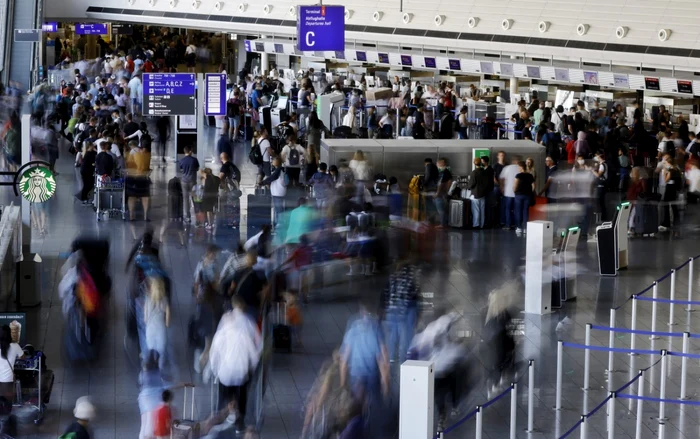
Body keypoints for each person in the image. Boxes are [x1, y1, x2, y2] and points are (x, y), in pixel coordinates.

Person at [209, 296, 263, 433]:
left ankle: (222, 418)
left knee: (224, 395)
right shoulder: (246, 328)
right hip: (241, 373)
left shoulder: (221, 332)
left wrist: (215, 371)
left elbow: (213, 354)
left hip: (225, 374)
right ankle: (240, 422)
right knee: (241, 395)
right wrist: (251, 369)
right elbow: (256, 353)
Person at [340, 301, 390, 403]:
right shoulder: (376, 328)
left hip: (356, 375)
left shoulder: (353, 329)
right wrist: (385, 380)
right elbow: (382, 357)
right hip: (372, 375)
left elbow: (344, 359)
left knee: (356, 405)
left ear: (361, 312)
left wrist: (342, 383)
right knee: (374, 404)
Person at [381, 262, 420, 364]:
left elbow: (385, 294)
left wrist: (385, 309)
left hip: (391, 310)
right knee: (405, 336)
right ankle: (404, 358)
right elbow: (412, 296)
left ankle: (391, 357)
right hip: (402, 311)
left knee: (392, 336)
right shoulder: (409, 281)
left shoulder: (391, 279)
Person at [144, 277, 171, 373]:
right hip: (161, 331)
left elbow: (145, 319)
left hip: (150, 331)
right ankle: (160, 369)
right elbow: (167, 323)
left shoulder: (147, 300)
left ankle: (149, 366)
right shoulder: (165, 301)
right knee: (161, 353)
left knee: (151, 350)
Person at [125, 139, 152, 221]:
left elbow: (129, 165)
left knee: (132, 197)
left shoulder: (134, 153)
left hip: (133, 177)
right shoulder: (148, 154)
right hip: (144, 178)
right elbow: (146, 167)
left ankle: (131, 216)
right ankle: (145, 216)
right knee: (145, 197)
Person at [260, 157, 287, 227]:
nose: (272, 161)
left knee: (279, 210)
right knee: (277, 209)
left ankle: (280, 224)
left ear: (278, 161)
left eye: (274, 160)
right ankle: (277, 223)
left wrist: (263, 182)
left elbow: (273, 177)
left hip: (278, 193)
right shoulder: (278, 170)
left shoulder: (278, 170)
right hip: (278, 193)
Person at [0, 325, 22, 406]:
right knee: (7, 404)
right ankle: (6, 417)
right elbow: (23, 357)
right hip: (7, 380)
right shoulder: (15, 346)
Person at [179, 145, 200, 223]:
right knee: (195, 199)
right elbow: (197, 168)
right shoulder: (194, 160)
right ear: (190, 151)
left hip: (184, 181)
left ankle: (187, 217)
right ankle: (197, 216)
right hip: (193, 181)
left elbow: (181, 170)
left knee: (186, 199)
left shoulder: (181, 161)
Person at [513, 161, 535, 235]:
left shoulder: (518, 175)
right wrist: (530, 192)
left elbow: (515, 185)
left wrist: (514, 191)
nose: (518, 168)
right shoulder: (530, 175)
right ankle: (525, 228)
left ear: (521, 167)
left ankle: (519, 228)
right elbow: (533, 186)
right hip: (527, 195)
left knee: (518, 211)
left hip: (519, 195)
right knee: (525, 211)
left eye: (518, 167)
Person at [468, 157, 490, 229]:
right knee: (482, 210)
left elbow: (471, 184)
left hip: (475, 194)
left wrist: (468, 187)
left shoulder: (474, 173)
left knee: (476, 210)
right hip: (483, 194)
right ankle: (482, 224)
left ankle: (476, 225)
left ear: (474, 163)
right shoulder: (485, 172)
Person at [499, 157, 520, 229]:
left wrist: (502, 187)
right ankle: (516, 225)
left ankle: (508, 225)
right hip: (517, 193)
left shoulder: (507, 168)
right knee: (516, 210)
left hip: (508, 192)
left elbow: (501, 178)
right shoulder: (520, 168)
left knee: (507, 209)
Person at [434, 158, 453, 228]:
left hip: (442, 193)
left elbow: (441, 184)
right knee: (444, 209)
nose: (438, 166)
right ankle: (446, 223)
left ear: (443, 164)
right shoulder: (446, 172)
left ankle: (443, 224)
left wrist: (437, 193)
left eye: (438, 164)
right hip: (444, 193)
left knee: (441, 210)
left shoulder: (444, 172)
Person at [591, 151, 608, 222]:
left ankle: (602, 218)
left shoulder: (602, 165)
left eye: (596, 156)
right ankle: (603, 217)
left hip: (601, 186)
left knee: (600, 202)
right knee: (601, 202)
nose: (595, 158)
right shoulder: (604, 164)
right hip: (602, 185)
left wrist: (592, 171)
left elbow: (598, 175)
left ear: (599, 156)